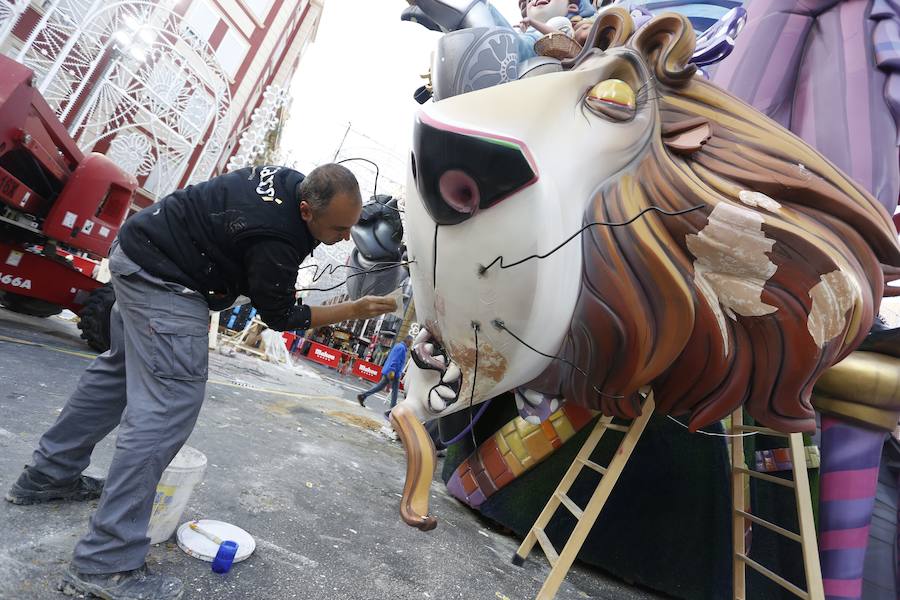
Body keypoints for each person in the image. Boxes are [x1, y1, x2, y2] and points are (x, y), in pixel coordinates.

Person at [4, 163, 396, 600]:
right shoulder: (278, 238)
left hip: (139, 253)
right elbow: (281, 315)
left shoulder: (287, 180)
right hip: (167, 283)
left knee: (116, 375)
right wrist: (354, 310)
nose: (345, 237)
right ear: (306, 210)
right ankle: (105, 563)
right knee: (167, 410)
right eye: (339, 228)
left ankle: (48, 475)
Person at [357, 336, 412, 417]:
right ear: (407, 341)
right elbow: (395, 360)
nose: (411, 344)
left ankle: (363, 396)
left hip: (390, 371)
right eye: (410, 342)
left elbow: (392, 358)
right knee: (394, 391)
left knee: (380, 387)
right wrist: (393, 371)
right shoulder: (402, 348)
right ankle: (392, 410)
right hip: (394, 373)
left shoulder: (398, 346)